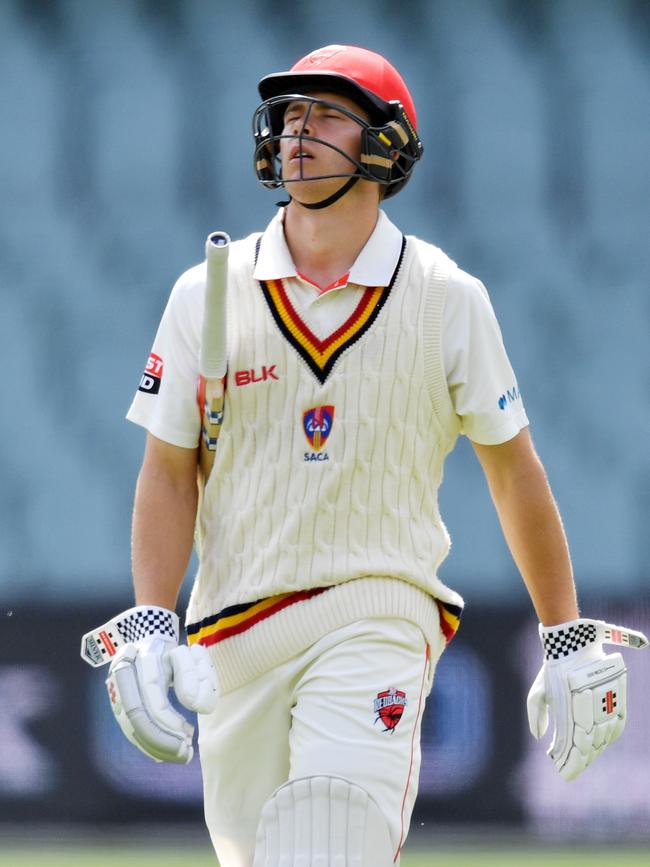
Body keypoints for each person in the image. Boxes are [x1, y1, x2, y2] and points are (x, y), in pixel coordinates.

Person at [81, 44, 647, 867]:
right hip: (233, 638)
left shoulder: (447, 298)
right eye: (291, 115)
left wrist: (562, 630)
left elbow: (514, 469)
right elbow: (170, 471)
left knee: (330, 838)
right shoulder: (205, 293)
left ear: (386, 145)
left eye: (327, 114)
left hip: (379, 610)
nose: (298, 132)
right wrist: (149, 619)